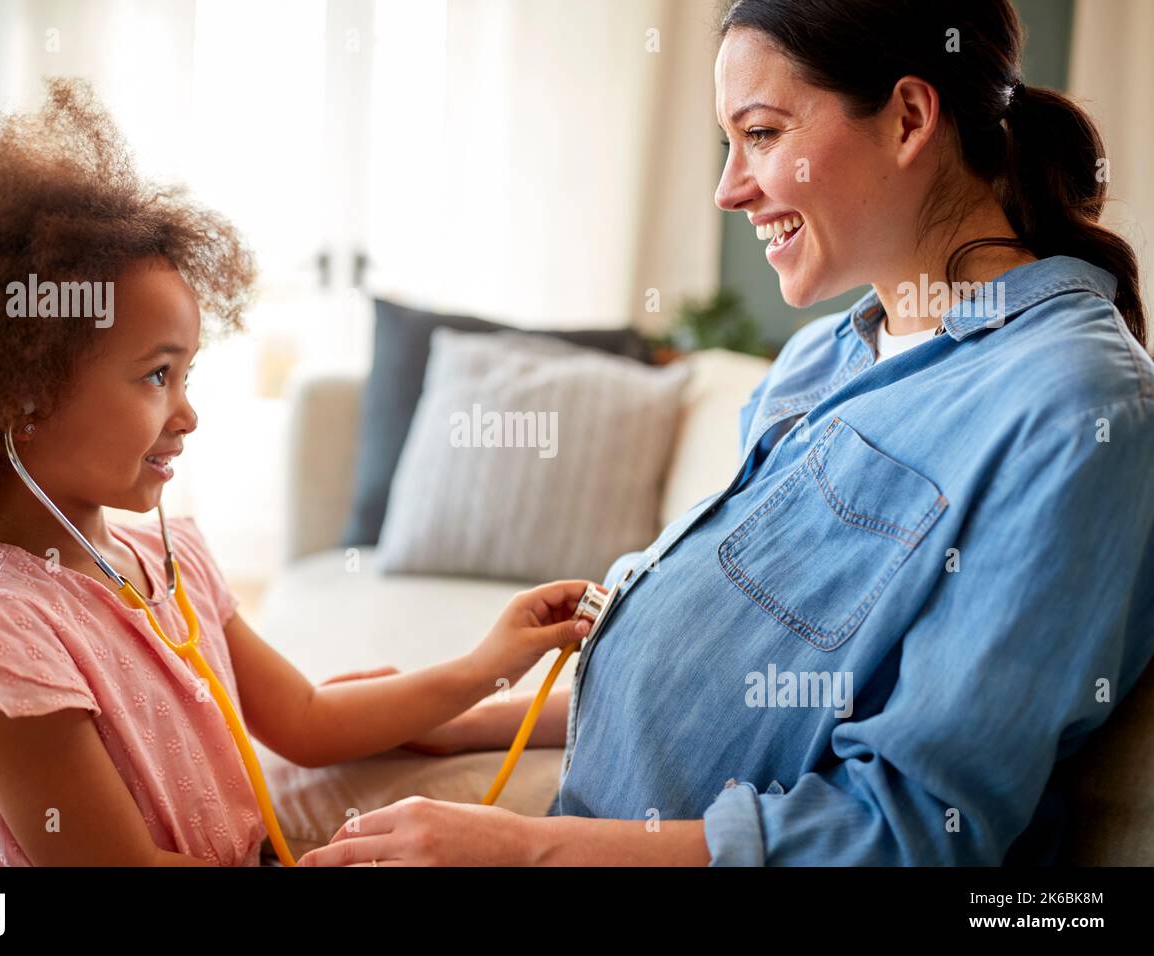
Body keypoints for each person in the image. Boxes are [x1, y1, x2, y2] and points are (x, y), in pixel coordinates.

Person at [297, 0, 1154, 866]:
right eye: (727, 143)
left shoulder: (1075, 412)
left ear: (908, 118)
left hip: (588, 843)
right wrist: (454, 722)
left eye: (763, 134)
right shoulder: (824, 356)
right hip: (582, 811)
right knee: (263, 769)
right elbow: (741, 690)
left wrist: (527, 851)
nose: (728, 188)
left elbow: (909, 832)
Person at [0, 78, 594, 866]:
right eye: (154, 376)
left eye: (187, 377)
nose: (187, 413)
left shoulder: (174, 563)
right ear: (24, 398)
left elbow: (307, 719)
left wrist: (487, 665)